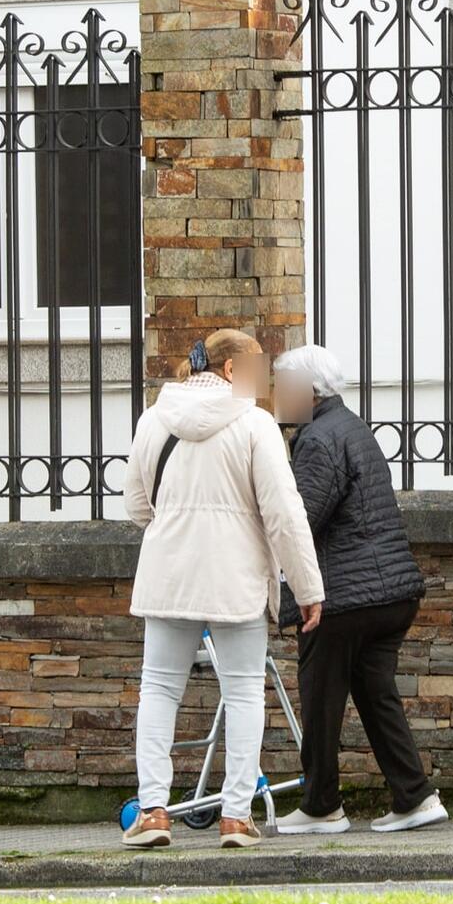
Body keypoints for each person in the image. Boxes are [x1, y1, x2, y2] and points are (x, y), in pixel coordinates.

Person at [121, 329, 324, 850]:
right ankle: (236, 817)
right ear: (232, 370)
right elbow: (284, 515)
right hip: (236, 579)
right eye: (257, 370)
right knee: (242, 691)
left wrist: (175, 529)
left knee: (160, 689)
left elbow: (138, 508)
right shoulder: (255, 425)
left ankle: (153, 811)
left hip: (168, 575)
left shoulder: (153, 420)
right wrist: (307, 587)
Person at [270, 344, 444, 834]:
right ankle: (415, 796)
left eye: (282, 387)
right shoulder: (351, 426)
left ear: (309, 391)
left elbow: (302, 519)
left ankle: (322, 806)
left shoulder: (318, 438)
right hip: (391, 593)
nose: (277, 396)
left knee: (321, 699)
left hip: (344, 597)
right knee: (375, 693)